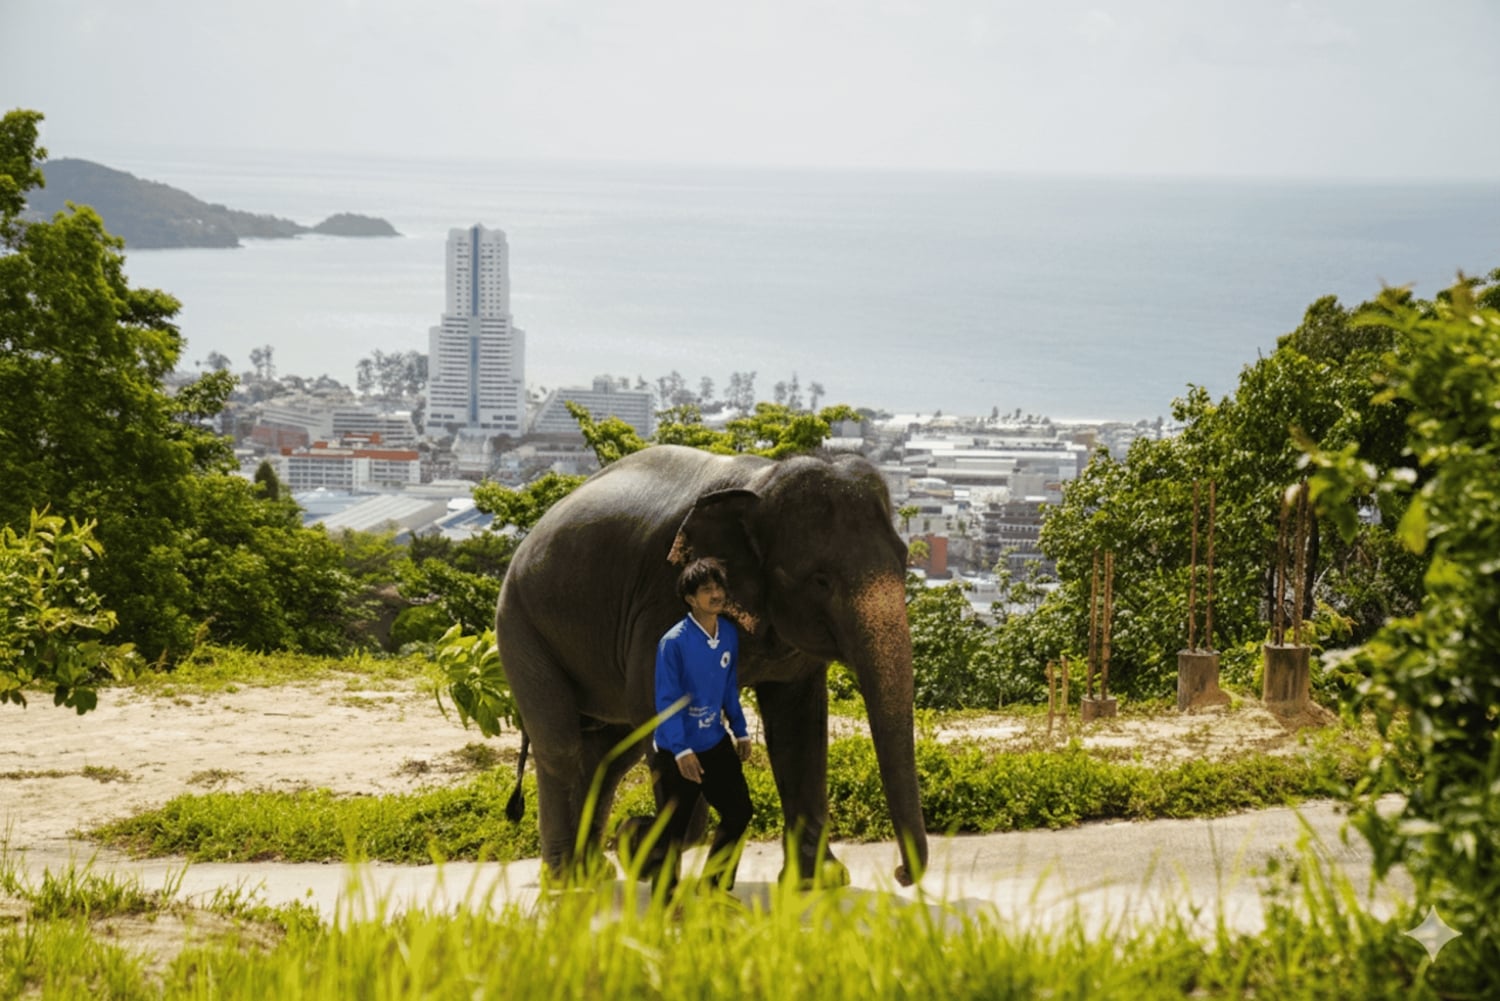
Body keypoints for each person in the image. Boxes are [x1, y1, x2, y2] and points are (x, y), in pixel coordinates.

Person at [623, 557, 754, 892]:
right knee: (674, 831)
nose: (715, 594)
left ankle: (713, 886)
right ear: (690, 599)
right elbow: (667, 701)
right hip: (675, 751)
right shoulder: (674, 642)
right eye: (706, 590)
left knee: (739, 812)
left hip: (715, 743)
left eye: (718, 587)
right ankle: (665, 901)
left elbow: (728, 686)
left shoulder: (727, 633)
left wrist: (740, 730)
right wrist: (681, 751)